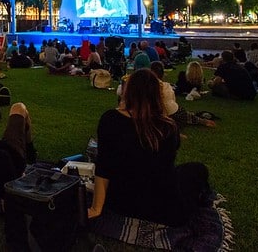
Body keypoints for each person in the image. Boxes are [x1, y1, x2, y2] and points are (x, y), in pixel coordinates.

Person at [87, 68, 211, 227]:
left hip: (121, 203)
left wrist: (96, 207)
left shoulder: (110, 120)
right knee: (197, 170)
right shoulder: (168, 127)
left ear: (128, 92)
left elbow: (103, 166)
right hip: (164, 210)